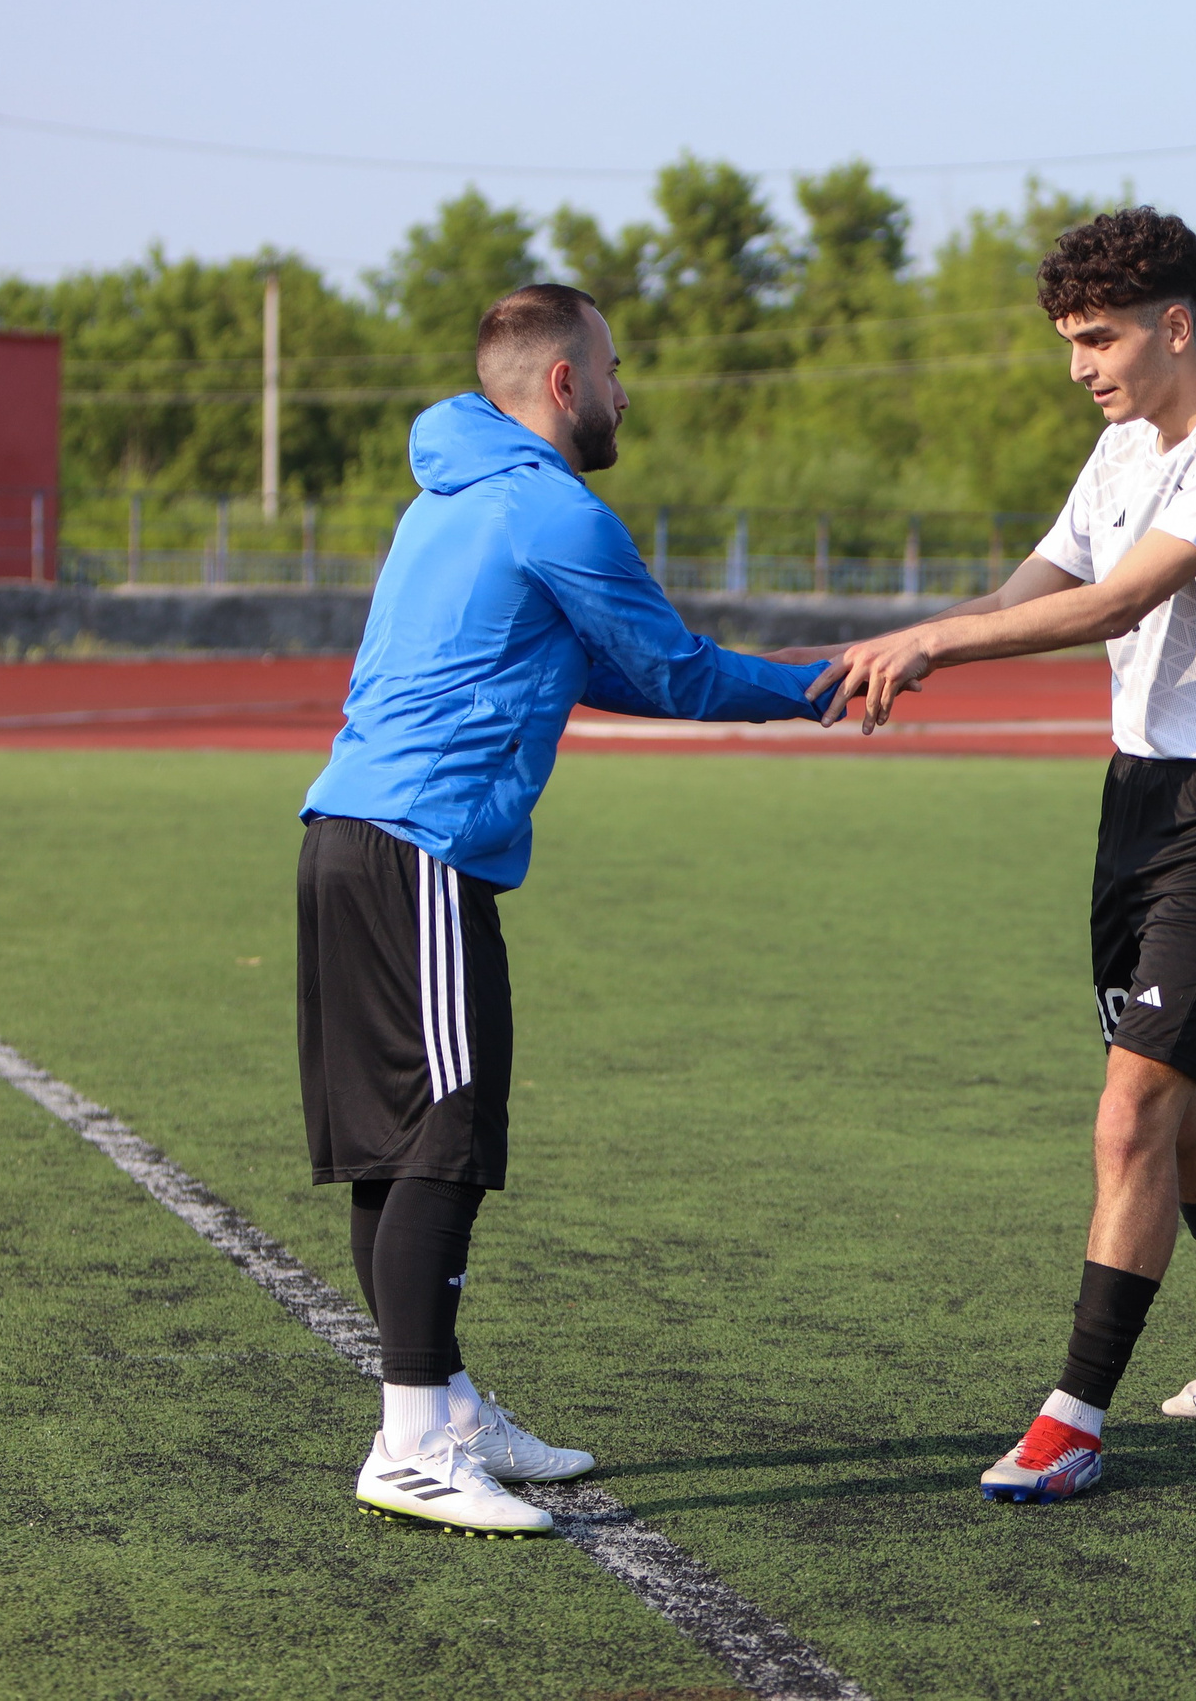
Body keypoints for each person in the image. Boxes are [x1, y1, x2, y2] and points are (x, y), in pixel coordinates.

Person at [300, 284, 834, 1537]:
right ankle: (415, 1437)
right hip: (416, 846)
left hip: (361, 841)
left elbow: (593, 667)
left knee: (406, 1142)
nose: (621, 392)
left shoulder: (452, 498)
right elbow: (671, 668)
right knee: (443, 1133)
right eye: (611, 369)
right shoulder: (551, 507)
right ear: (560, 384)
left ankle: (439, 1405)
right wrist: (822, 683)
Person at [820, 208, 1196, 1503]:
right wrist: (886, 646)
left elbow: (1113, 602)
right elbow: (1029, 587)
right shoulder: (1116, 449)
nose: (1079, 366)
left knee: (1129, 1113)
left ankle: (1074, 1419)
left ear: (1175, 324)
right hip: (1134, 805)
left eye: (1097, 338)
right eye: (1067, 340)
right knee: (1161, 1092)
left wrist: (940, 644)